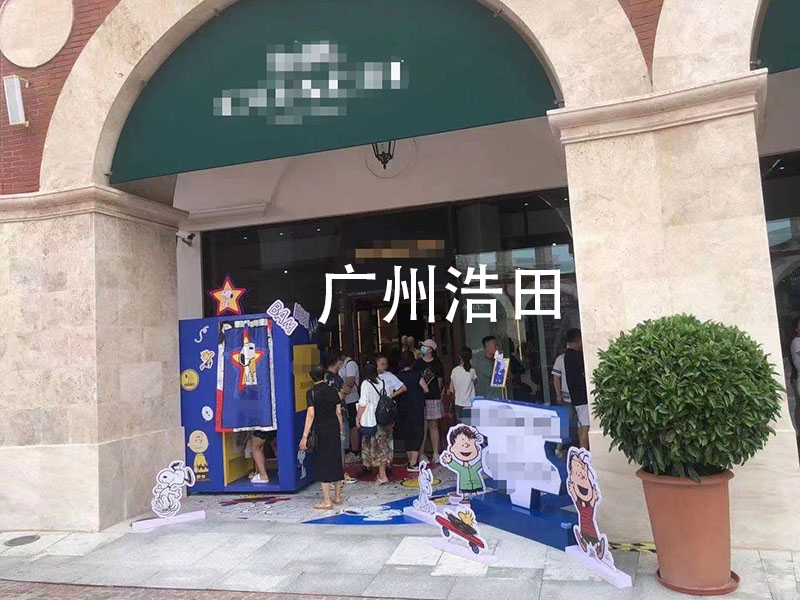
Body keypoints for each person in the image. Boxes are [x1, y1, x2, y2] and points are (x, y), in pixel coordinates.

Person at [300, 364, 344, 509]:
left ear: (311, 378)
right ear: (324, 375)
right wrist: (340, 427)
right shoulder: (333, 390)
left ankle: (326, 501)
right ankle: (337, 496)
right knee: (336, 459)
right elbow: (338, 411)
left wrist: (305, 435)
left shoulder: (311, 392)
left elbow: (311, 414)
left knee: (323, 462)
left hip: (320, 429)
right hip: (334, 427)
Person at [357, 362, 393, 485]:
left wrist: (357, 418)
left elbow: (363, 404)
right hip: (384, 419)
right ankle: (383, 473)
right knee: (384, 446)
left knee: (377, 448)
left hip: (372, 420)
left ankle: (383, 475)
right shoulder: (382, 382)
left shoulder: (366, 384)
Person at [323, 348, 356, 483]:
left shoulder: (330, 377)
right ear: (337, 362)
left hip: (336, 414)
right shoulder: (331, 378)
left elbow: (345, 390)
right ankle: (338, 475)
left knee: (338, 446)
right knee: (339, 446)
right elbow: (339, 395)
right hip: (337, 415)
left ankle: (338, 474)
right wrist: (342, 392)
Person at [396, 350, 429, 470]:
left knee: (407, 433)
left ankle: (410, 460)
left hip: (403, 407)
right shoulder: (416, 374)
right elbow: (426, 389)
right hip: (416, 407)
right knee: (417, 433)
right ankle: (413, 463)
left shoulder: (398, 376)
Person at [415, 339, 445, 463]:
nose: (422, 348)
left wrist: (438, 394)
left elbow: (440, 382)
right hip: (420, 398)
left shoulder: (437, 364)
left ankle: (435, 453)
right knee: (422, 426)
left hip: (433, 397)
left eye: (425, 346)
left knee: (433, 425)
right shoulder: (417, 364)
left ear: (431, 349)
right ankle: (421, 454)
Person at [564, 328, 589, 450]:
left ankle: (581, 451)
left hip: (575, 397)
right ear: (578, 339)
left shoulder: (567, 356)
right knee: (586, 427)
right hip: (582, 397)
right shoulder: (576, 356)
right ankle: (584, 454)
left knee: (581, 426)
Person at [338, 352, 360, 463]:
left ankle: (355, 451)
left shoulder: (350, 364)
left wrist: (341, 389)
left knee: (352, 426)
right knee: (346, 426)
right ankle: (349, 449)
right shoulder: (343, 365)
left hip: (351, 400)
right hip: (344, 401)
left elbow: (351, 381)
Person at [449, 347, 477, 423]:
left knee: (461, 426)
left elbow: (451, 389)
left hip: (458, 402)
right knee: (471, 426)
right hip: (470, 403)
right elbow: (475, 382)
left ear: (460, 357)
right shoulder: (472, 371)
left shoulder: (454, 371)